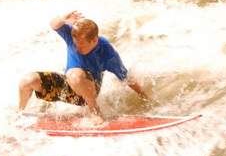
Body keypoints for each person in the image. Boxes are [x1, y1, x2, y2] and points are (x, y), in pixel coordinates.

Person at [18, 11, 149, 125]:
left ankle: (94, 111)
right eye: (75, 44)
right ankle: (19, 113)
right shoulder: (73, 37)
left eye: (81, 46)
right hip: (67, 88)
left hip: (88, 91)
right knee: (27, 80)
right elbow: (53, 25)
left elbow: (126, 78)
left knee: (75, 74)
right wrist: (63, 19)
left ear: (94, 40)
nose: (77, 48)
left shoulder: (108, 54)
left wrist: (145, 97)